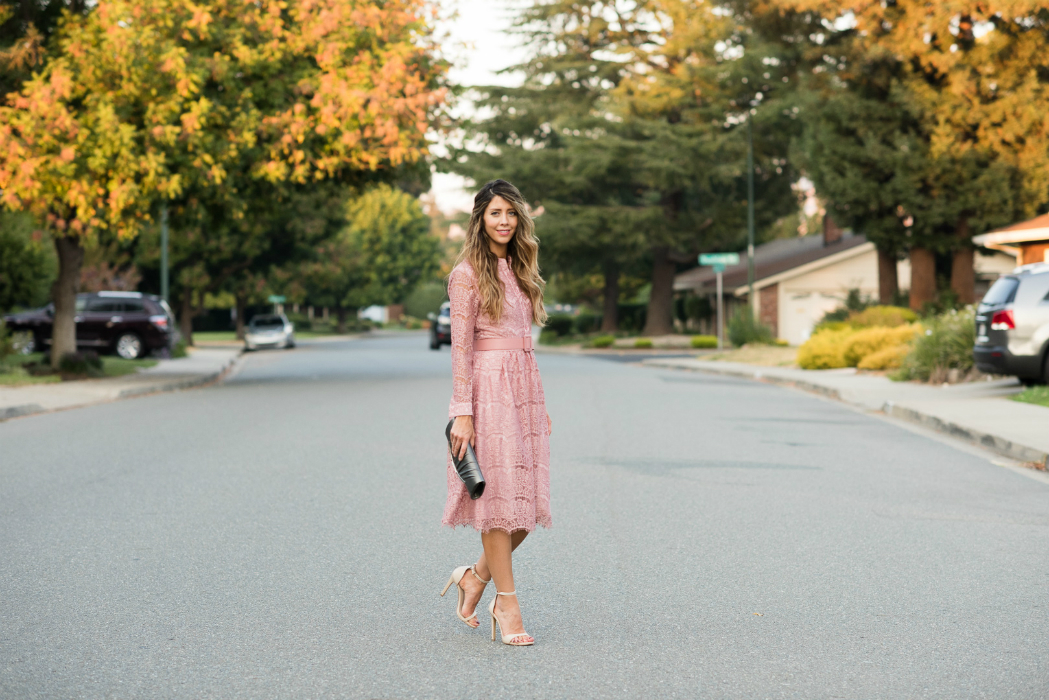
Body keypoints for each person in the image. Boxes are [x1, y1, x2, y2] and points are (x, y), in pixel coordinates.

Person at [439, 179, 551, 646]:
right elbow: (460, 347)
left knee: (526, 508)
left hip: (523, 387)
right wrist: (462, 411)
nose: (503, 221)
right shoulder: (466, 273)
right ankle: (507, 605)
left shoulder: (521, 267)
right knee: (497, 508)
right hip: (487, 390)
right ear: (480, 218)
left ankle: (474, 577)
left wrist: (538, 407)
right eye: (494, 213)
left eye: (510, 213)